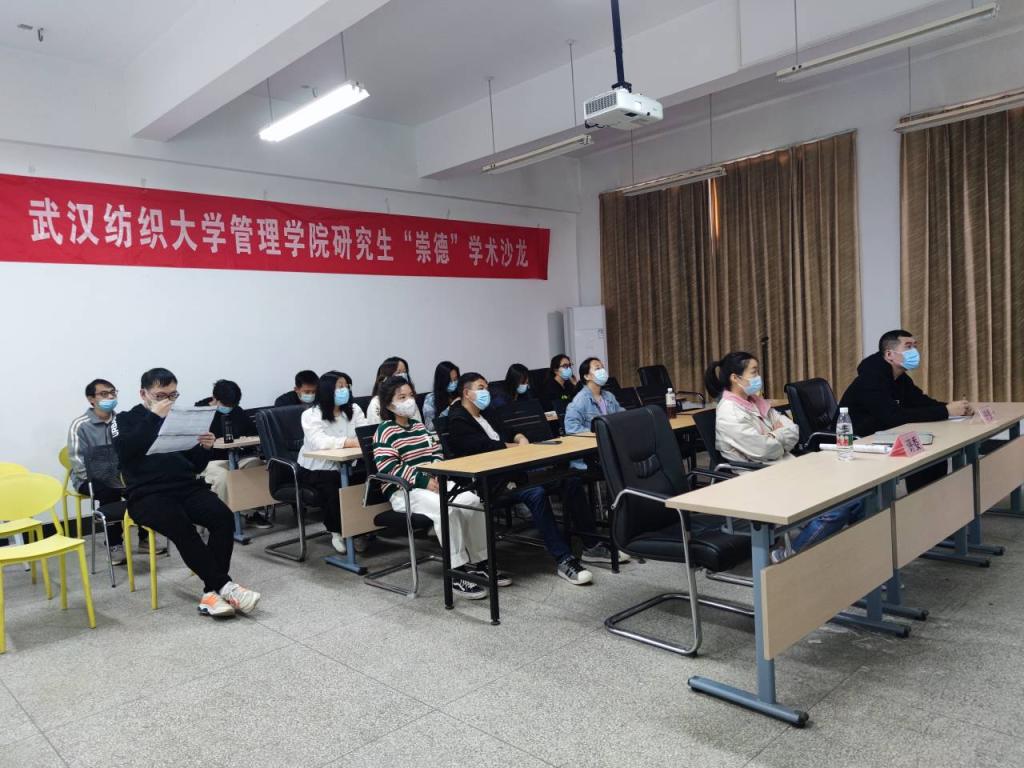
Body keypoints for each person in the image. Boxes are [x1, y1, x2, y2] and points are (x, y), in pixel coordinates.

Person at [111, 367, 260, 618]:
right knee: (181, 526)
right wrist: (154, 417)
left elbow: (195, 465)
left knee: (222, 517)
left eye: (173, 395)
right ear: (143, 394)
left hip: (185, 487)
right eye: (160, 396)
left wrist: (205, 448)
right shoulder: (125, 419)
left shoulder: (180, 418)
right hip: (147, 495)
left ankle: (211, 593)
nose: (167, 401)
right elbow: (125, 450)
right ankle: (225, 586)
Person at [706, 352, 863, 561]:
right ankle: (790, 557)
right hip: (759, 476)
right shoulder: (730, 412)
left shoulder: (756, 402)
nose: (758, 377)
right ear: (735, 378)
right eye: (754, 372)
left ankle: (851, 555)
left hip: (785, 468)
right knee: (834, 511)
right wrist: (777, 435)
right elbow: (762, 449)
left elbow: (793, 430)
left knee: (858, 499)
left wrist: (774, 437)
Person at [447, 373, 593, 585]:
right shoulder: (458, 420)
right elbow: (483, 448)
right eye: (481, 388)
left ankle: (591, 545)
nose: (486, 392)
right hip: (492, 481)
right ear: (467, 393)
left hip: (515, 470)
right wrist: (514, 447)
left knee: (571, 479)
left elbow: (510, 430)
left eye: (487, 387)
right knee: (536, 493)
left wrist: (520, 437)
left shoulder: (487, 413)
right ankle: (564, 559)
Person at [372, 375, 495, 599]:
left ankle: (481, 563)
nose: (409, 400)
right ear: (389, 404)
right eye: (402, 397)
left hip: (434, 483)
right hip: (405, 491)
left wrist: (436, 473)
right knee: (447, 509)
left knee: (473, 501)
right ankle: (457, 572)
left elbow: (436, 451)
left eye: (410, 395)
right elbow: (388, 468)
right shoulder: (385, 431)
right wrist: (423, 481)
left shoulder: (419, 427)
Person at [840, 330, 972, 493]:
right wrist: (946, 411)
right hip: (859, 438)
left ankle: (932, 502)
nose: (914, 352)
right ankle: (919, 503)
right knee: (924, 455)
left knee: (934, 454)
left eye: (915, 346)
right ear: (889, 354)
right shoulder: (871, 379)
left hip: (884, 433)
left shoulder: (900, 377)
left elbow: (920, 402)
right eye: (908, 347)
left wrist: (954, 408)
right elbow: (893, 417)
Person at [67, 379, 162, 565]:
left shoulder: (122, 421)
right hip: (89, 478)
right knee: (110, 492)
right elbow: (76, 460)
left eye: (113, 392)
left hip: (119, 475)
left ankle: (144, 538)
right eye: (104, 394)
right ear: (91, 399)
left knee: (142, 486)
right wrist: (97, 479)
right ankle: (114, 544)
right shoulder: (80, 425)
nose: (110, 397)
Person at [560, 357, 631, 565]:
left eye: (602, 367)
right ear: (586, 376)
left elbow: (621, 416)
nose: (602, 371)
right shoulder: (580, 401)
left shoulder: (608, 396)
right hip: (588, 460)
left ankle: (629, 526)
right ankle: (613, 532)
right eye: (597, 368)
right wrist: (600, 434)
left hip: (608, 454)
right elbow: (571, 429)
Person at [296, 371, 368, 554]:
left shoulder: (354, 409)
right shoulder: (311, 414)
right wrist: (349, 442)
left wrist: (359, 441)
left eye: (346, 386)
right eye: (340, 387)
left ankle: (361, 529)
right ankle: (337, 532)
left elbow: (365, 433)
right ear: (327, 390)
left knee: (369, 481)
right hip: (317, 468)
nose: (344, 390)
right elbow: (319, 442)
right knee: (333, 488)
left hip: (350, 464)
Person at [201, 380, 270, 529]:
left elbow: (253, 433)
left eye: (233, 405)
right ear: (214, 399)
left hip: (237, 458)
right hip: (209, 461)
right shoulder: (200, 413)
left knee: (256, 466)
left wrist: (245, 440)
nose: (229, 409)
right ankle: (223, 519)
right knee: (223, 477)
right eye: (226, 405)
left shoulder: (237, 411)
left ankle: (251, 512)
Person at [366, 356, 422, 424]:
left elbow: (419, 424)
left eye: (405, 372)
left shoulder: (409, 399)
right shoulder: (376, 403)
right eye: (398, 373)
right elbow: (375, 428)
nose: (403, 375)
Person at [422, 361, 460, 431]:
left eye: (455, 379)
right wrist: (449, 409)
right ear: (441, 381)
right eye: (450, 381)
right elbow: (429, 427)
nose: (454, 383)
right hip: (444, 434)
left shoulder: (461, 393)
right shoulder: (431, 399)